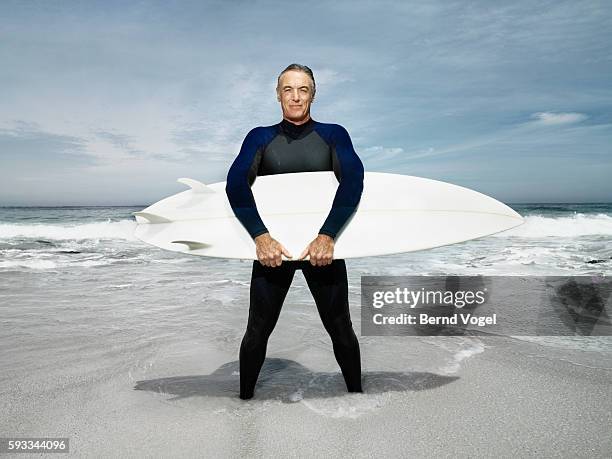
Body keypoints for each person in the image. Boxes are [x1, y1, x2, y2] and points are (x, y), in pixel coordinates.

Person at [225, 63, 364, 400]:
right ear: (278, 95)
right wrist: (261, 236)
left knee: (340, 328)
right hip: (275, 249)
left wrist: (328, 235)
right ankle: (243, 407)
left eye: (303, 89)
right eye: (288, 89)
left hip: (322, 249)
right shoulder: (261, 137)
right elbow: (236, 184)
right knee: (258, 330)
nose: (296, 96)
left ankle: (357, 400)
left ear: (313, 94)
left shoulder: (333, 134)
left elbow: (354, 180)